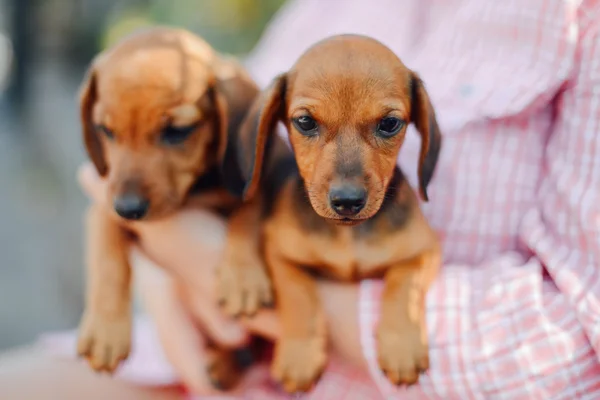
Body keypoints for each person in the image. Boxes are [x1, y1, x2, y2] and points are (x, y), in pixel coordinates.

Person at [1, 0, 600, 398]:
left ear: (421, 132)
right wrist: (165, 271)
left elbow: (575, 343)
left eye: (387, 126)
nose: (343, 182)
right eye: (306, 125)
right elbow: (243, 162)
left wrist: (219, 270)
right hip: (199, 364)